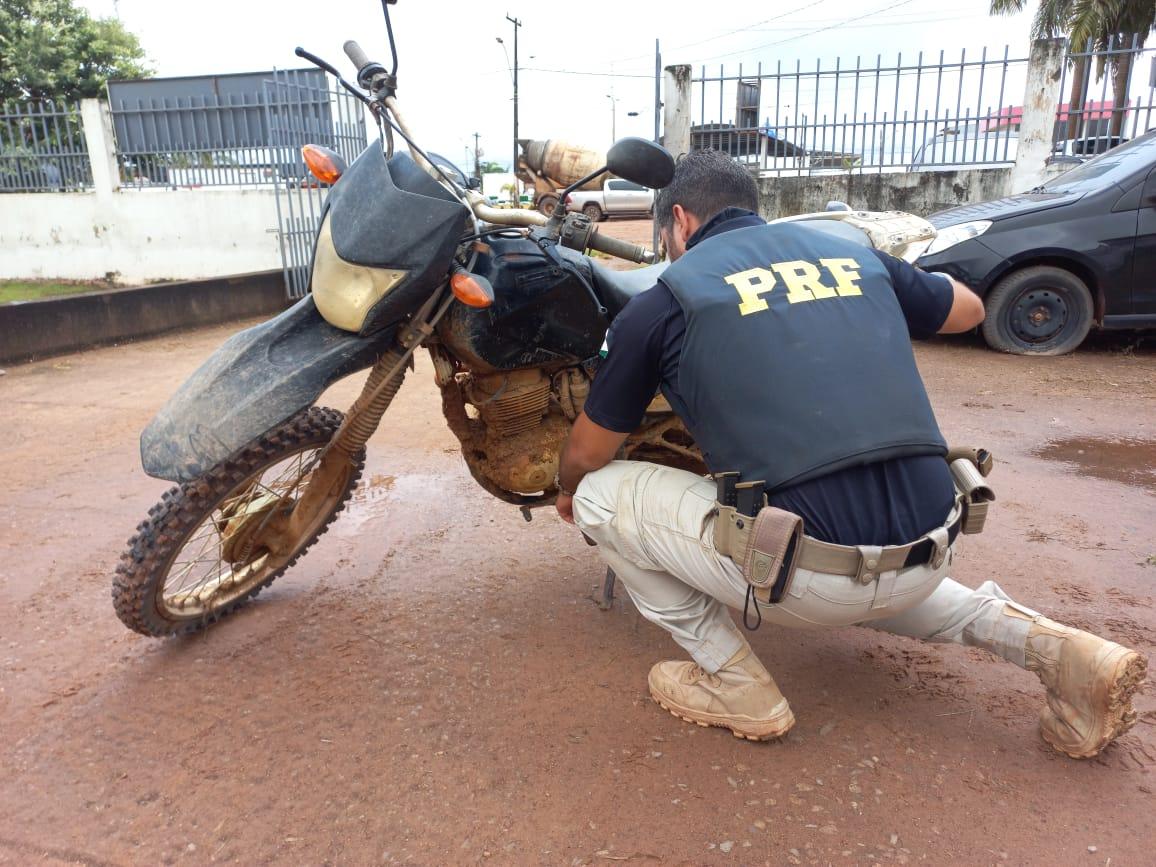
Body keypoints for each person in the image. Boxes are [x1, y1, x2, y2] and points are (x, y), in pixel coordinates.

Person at [553, 150, 1146, 758]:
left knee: (601, 492)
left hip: (802, 578)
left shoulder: (666, 299)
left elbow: (590, 447)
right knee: (875, 567)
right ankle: (1064, 652)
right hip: (932, 548)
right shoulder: (856, 257)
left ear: (678, 222)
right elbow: (967, 309)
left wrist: (566, 489)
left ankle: (733, 683)